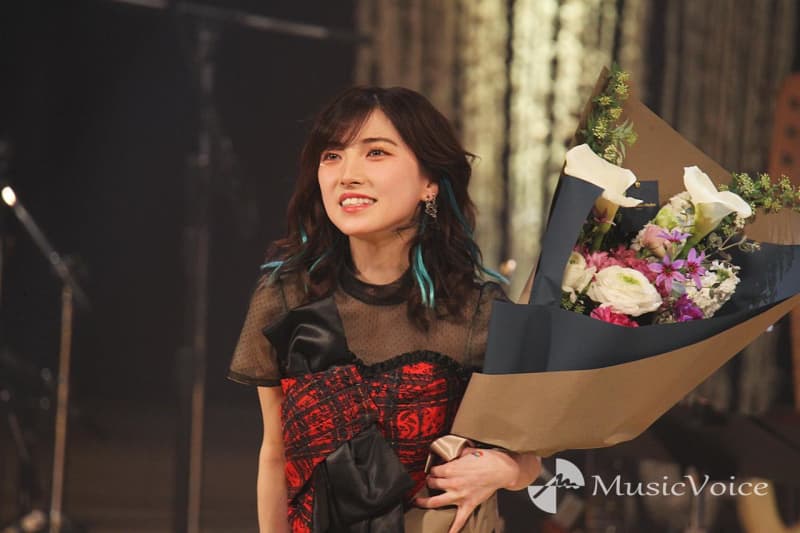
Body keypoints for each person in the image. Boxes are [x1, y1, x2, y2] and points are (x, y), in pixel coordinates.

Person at [228, 86, 541, 533]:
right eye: (332, 156)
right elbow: (275, 455)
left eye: (376, 152)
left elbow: (532, 456)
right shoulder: (286, 296)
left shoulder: (477, 311)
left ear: (430, 182)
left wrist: (505, 470)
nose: (347, 175)